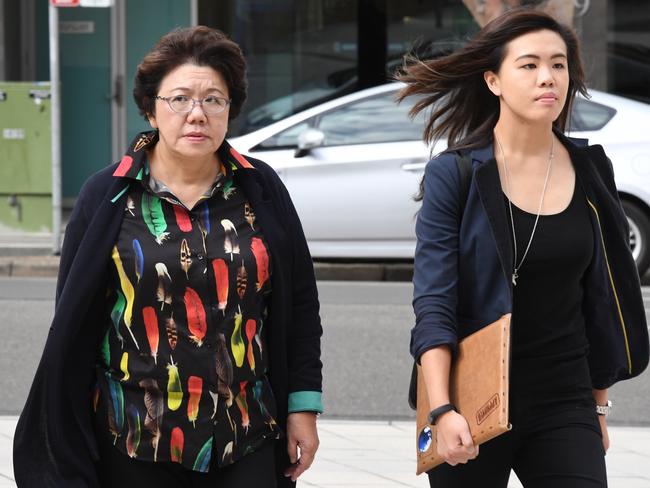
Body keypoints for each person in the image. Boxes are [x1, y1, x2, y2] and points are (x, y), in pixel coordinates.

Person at [13, 26, 323, 488]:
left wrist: (302, 407)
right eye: (180, 99)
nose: (197, 114)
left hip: (245, 431)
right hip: (135, 434)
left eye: (213, 100)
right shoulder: (109, 193)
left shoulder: (262, 188)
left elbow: (299, 304)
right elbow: (74, 319)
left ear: (229, 110)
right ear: (151, 109)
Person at [398, 8, 649, 488]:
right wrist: (441, 408)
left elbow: (603, 294)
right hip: (472, 398)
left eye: (558, 64)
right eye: (529, 65)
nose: (548, 78)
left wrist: (597, 404)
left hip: (565, 398)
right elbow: (434, 301)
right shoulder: (456, 173)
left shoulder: (592, 168)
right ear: (493, 81)